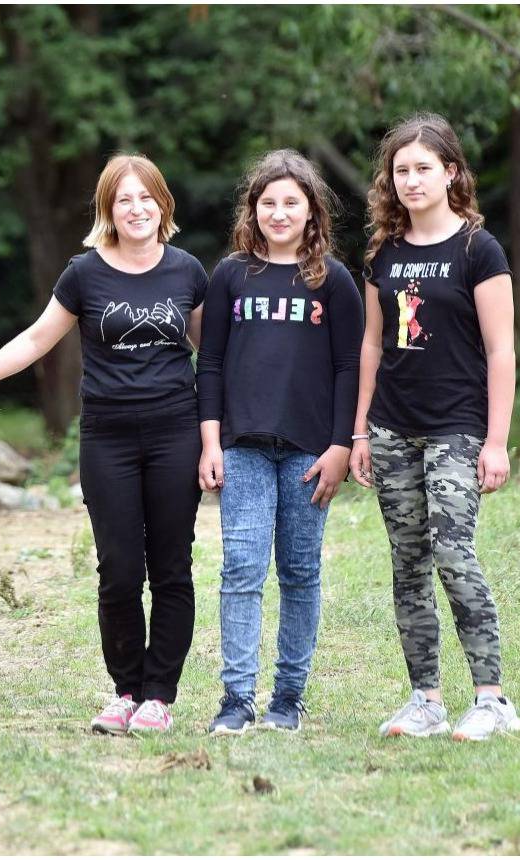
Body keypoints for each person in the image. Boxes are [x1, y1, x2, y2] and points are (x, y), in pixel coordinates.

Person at [0, 154, 208, 734]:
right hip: (107, 436)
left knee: (172, 568)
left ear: (163, 205)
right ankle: (126, 690)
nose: (137, 209)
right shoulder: (84, 274)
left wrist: (218, 435)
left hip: (175, 431)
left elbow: (217, 356)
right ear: (108, 209)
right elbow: (34, 341)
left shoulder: (188, 273)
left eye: (146, 197)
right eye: (124, 199)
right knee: (120, 570)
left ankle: (160, 696)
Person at [349, 113, 520, 741]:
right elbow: (372, 344)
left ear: (451, 173)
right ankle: (425, 699)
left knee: (453, 552)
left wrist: (496, 441)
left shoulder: (479, 249)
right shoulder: (384, 254)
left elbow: (502, 350)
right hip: (393, 427)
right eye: (402, 171)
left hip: (458, 427)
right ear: (390, 183)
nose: (412, 180)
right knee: (408, 562)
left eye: (425, 168)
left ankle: (492, 700)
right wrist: (362, 429)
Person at [195, 150, 362, 735]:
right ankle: (236, 698)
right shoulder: (231, 276)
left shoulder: (333, 281)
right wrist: (209, 442)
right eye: (268, 202)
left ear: (312, 209)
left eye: (292, 201)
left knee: (298, 570)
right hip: (241, 445)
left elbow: (350, 367)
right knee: (241, 567)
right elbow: (210, 362)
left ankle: (288, 697)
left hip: (309, 452)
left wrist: (342, 445)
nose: (279, 211)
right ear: (253, 209)